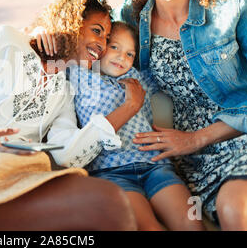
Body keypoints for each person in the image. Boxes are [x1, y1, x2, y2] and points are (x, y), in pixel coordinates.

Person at [0, 0, 142, 231]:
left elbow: (67, 155)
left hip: (17, 179)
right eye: (97, 31)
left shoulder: (65, 91)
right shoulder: (7, 41)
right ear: (72, 22)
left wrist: (129, 108)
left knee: (110, 204)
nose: (101, 44)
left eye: (107, 37)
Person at [117, 0, 247, 230]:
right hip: (195, 158)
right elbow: (91, 46)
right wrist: (49, 39)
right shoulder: (133, 16)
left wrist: (197, 138)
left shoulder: (235, 4)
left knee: (236, 209)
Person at [67, 21, 204, 230]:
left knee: (191, 222)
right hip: (111, 171)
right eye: (114, 47)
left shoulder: (137, 77)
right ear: (101, 47)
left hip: (155, 165)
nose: (122, 57)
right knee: (147, 227)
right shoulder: (80, 74)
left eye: (130, 54)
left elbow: (172, 69)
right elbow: (55, 47)